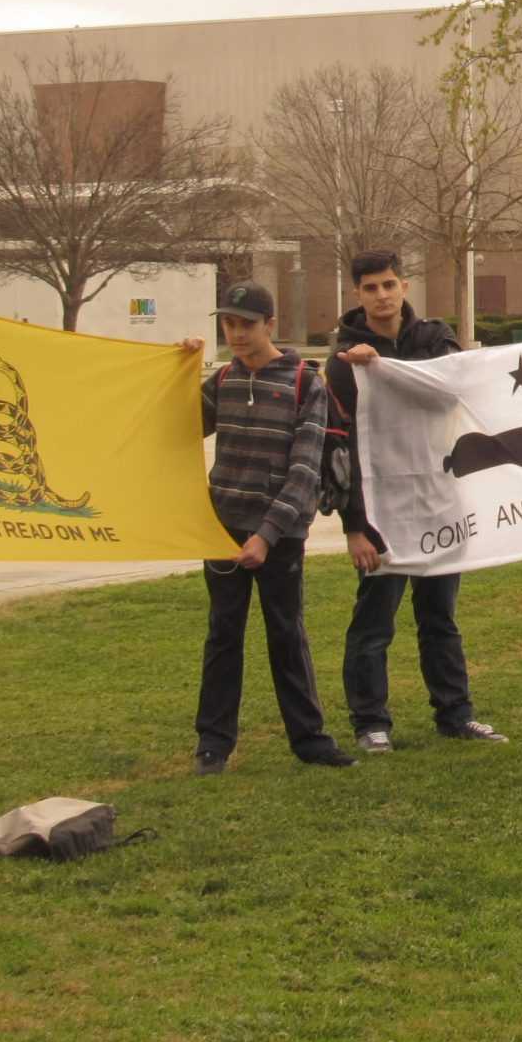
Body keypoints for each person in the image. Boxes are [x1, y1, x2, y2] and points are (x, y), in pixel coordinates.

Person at [326, 251, 504, 748]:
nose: (382, 296)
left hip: (438, 501)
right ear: (357, 294)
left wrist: (384, 368)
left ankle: (455, 714)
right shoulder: (344, 361)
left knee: (440, 619)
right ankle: (371, 723)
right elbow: (341, 446)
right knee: (374, 623)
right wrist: (354, 525)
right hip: (381, 512)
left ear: (404, 285)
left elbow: (448, 393)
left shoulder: (434, 338)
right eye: (370, 288)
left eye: (389, 285)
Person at [194, 281, 353, 773]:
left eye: (246, 324)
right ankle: (213, 745)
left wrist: (267, 534)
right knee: (223, 634)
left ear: (270, 325)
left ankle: (310, 740)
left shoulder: (307, 382)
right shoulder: (221, 381)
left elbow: (304, 470)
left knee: (286, 632)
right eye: (229, 325)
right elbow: (170, 426)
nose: (237, 334)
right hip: (222, 528)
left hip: (279, 536)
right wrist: (177, 367)